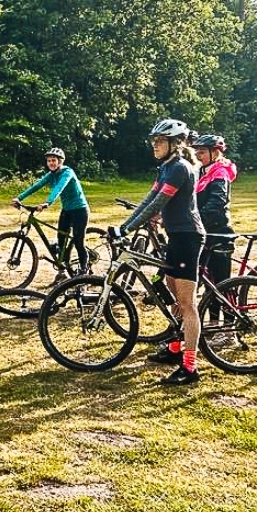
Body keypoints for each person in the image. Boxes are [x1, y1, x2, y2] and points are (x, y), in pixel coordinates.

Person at [112, 119, 206, 385]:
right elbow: (147, 200)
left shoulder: (180, 169)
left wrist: (126, 230)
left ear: (175, 144)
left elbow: (158, 205)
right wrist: (124, 226)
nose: (155, 145)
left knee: (187, 304)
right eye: (154, 141)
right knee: (172, 292)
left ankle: (190, 368)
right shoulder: (165, 168)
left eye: (160, 141)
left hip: (188, 237)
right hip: (175, 236)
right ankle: (176, 347)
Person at [13, 147, 90, 279]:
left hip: (80, 210)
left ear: (60, 161)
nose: (51, 163)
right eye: (49, 161)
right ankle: (62, 271)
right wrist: (19, 198)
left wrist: (48, 203)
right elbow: (37, 185)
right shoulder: (52, 174)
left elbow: (59, 188)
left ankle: (84, 269)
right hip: (67, 210)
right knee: (60, 242)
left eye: (53, 160)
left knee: (78, 242)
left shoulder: (67, 172)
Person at [193, 134, 237, 318]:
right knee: (208, 282)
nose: (197, 155)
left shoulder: (220, 172)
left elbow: (217, 203)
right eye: (196, 152)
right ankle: (212, 323)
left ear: (215, 152)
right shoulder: (206, 171)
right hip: (206, 233)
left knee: (221, 283)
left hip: (219, 233)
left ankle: (229, 330)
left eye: (202, 152)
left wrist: (195, 219)